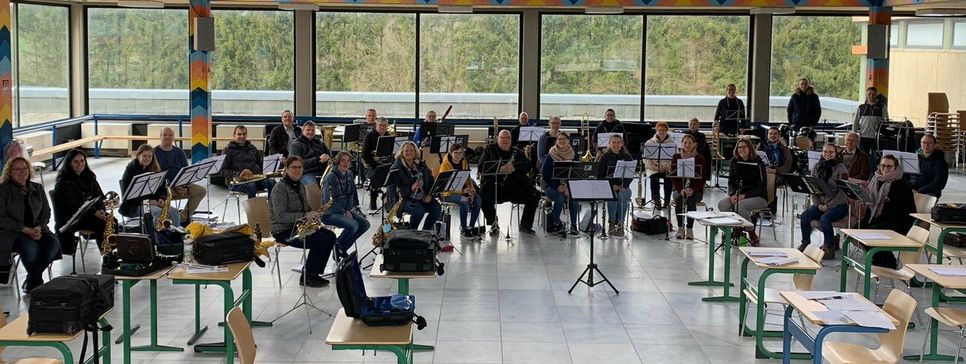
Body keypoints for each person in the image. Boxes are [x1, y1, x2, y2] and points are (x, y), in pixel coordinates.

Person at [270, 156, 337, 287]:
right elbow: (280, 217)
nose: (297, 170)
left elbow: (306, 208)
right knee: (321, 240)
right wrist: (305, 215)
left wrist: (313, 213)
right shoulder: (280, 188)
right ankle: (307, 276)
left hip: (299, 225)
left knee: (330, 236)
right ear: (286, 169)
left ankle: (314, 273)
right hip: (283, 230)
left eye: (300, 167)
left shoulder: (300, 185)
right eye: (294, 167)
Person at [0, 156, 61, 293]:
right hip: (12, 233)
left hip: (37, 229)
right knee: (31, 248)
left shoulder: (37, 188)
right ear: (10, 172)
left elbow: (46, 212)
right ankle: (36, 283)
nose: (22, 172)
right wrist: (25, 229)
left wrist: (39, 227)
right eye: (18, 169)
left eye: (25, 168)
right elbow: (2, 218)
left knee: (54, 244)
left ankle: (32, 279)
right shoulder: (3, 190)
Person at [52, 149, 115, 254]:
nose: (80, 164)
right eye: (75, 162)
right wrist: (94, 212)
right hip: (71, 219)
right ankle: (106, 255)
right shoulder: (63, 181)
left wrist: (101, 211)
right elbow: (71, 205)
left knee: (112, 221)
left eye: (82, 161)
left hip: (87, 215)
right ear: (69, 163)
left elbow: (99, 197)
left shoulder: (89, 176)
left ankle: (111, 254)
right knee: (103, 224)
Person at [478, 130, 540, 234]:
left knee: (535, 195)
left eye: (508, 138)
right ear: (498, 139)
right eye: (502, 138)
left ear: (511, 140)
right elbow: (481, 167)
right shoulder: (490, 149)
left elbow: (528, 166)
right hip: (494, 185)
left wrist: (515, 167)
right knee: (483, 196)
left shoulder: (517, 151)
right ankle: (493, 223)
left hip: (514, 187)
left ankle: (525, 225)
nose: (505, 140)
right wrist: (499, 169)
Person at [862, 155, 916, 269]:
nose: (885, 168)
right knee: (859, 228)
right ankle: (877, 259)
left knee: (871, 232)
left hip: (900, 222)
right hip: (881, 218)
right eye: (883, 165)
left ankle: (889, 262)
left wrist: (873, 221)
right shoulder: (876, 179)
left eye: (889, 166)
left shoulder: (900, 183)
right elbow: (871, 203)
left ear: (895, 168)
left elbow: (896, 211)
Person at [797, 144, 849, 260]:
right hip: (821, 203)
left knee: (825, 218)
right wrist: (818, 204)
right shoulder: (816, 167)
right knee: (805, 215)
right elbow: (813, 188)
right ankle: (805, 243)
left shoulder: (841, 169)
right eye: (825, 152)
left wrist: (829, 206)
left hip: (839, 205)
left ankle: (829, 247)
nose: (827, 154)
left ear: (836, 154)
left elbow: (842, 193)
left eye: (831, 152)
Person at [717, 138, 767, 245]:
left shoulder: (758, 162)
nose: (741, 149)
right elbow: (731, 182)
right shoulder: (734, 161)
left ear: (750, 148)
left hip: (758, 196)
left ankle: (751, 232)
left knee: (740, 206)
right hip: (738, 195)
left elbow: (762, 187)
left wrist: (745, 196)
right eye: (739, 147)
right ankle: (733, 230)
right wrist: (731, 195)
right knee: (722, 205)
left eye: (744, 147)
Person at [120, 144, 182, 227]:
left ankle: (175, 237)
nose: (148, 159)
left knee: (174, 212)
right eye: (144, 156)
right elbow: (128, 195)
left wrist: (161, 199)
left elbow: (162, 188)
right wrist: (148, 202)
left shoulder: (154, 167)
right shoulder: (131, 170)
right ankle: (154, 237)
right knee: (158, 212)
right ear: (138, 156)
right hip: (133, 205)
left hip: (153, 202)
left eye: (150, 156)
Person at [154, 127, 206, 224]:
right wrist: (174, 185)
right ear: (160, 136)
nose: (168, 137)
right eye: (165, 135)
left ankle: (183, 217)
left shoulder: (179, 152)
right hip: (163, 188)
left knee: (200, 191)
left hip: (180, 186)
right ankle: (165, 220)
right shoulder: (154, 152)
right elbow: (156, 176)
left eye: (170, 135)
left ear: (173, 136)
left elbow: (186, 172)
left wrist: (184, 185)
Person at [321, 151, 370, 254]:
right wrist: (344, 212)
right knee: (353, 225)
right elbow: (328, 201)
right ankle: (337, 247)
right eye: (343, 161)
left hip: (344, 211)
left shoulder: (349, 174)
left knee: (365, 224)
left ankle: (341, 248)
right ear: (338, 162)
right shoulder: (330, 177)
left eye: (348, 161)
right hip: (330, 213)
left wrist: (348, 210)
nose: (346, 163)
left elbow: (351, 194)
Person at [388, 142, 441, 231]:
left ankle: (425, 231)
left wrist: (430, 195)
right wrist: (411, 188)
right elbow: (393, 189)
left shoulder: (420, 164)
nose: (409, 153)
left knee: (437, 208)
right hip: (406, 199)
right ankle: (412, 232)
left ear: (415, 152)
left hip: (422, 196)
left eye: (412, 150)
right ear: (402, 153)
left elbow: (431, 180)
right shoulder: (396, 167)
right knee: (418, 211)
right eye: (406, 151)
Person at [435, 143, 482, 239]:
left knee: (478, 200)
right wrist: (462, 192)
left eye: (461, 153)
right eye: (456, 153)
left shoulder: (464, 161)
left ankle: (471, 227)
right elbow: (446, 187)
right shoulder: (445, 165)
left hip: (463, 190)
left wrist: (471, 191)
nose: (458, 155)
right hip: (447, 193)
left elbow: (468, 178)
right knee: (464, 201)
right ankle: (464, 229)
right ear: (451, 153)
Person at [596, 135, 636, 236]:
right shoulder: (604, 157)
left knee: (622, 196)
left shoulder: (627, 156)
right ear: (609, 144)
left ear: (622, 144)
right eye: (613, 142)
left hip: (624, 186)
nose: (616, 145)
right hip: (608, 186)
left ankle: (621, 224)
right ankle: (612, 223)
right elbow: (600, 176)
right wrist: (611, 185)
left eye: (618, 142)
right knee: (613, 196)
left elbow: (630, 176)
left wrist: (624, 185)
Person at [221, 125, 274, 198]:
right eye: (239, 134)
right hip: (237, 182)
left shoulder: (252, 148)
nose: (242, 136)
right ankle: (252, 208)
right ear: (234, 135)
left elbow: (260, 164)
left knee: (272, 182)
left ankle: (271, 207)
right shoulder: (228, 150)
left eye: (244, 134)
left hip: (255, 179)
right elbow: (223, 171)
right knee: (251, 186)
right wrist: (239, 174)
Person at [542, 132, 579, 234]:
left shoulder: (573, 155)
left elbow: (577, 174)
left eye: (564, 139)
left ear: (568, 141)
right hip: (551, 186)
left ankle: (573, 225)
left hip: (568, 186)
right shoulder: (551, 154)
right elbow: (545, 174)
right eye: (559, 139)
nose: (561, 141)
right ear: (556, 141)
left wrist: (569, 188)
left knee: (574, 198)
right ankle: (556, 224)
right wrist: (557, 186)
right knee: (560, 197)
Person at [671, 134, 706, 240]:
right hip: (679, 189)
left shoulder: (700, 158)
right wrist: (681, 189)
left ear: (694, 144)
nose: (687, 145)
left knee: (691, 200)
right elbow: (673, 177)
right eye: (685, 143)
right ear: (681, 144)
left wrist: (693, 189)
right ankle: (680, 228)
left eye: (690, 143)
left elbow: (703, 178)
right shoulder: (676, 157)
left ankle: (689, 229)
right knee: (679, 199)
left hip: (695, 190)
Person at [288, 121, 332, 185]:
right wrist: (318, 160)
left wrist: (328, 158)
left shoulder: (321, 144)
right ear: (302, 131)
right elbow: (296, 164)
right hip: (306, 173)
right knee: (314, 185)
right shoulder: (295, 145)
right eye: (308, 130)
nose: (310, 132)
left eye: (312, 130)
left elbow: (331, 157)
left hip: (324, 172)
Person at [362, 118, 391, 210]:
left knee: (395, 175)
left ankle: (389, 199)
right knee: (376, 176)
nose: (382, 127)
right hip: (372, 165)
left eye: (384, 125)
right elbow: (365, 154)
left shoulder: (389, 136)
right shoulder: (369, 137)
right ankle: (373, 200)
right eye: (380, 125)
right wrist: (375, 164)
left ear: (387, 126)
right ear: (376, 126)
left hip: (386, 164)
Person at [907, 134, 948, 199]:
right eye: (924, 142)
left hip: (930, 191)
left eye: (929, 143)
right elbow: (909, 176)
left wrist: (919, 191)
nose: (926, 145)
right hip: (913, 189)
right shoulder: (915, 158)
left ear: (934, 145)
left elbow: (939, 183)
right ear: (920, 143)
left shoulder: (941, 162)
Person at [853, 87, 888, 157]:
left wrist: (883, 135)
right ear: (866, 94)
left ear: (876, 95)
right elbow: (856, 121)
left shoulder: (882, 107)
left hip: (876, 137)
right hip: (863, 136)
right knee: (862, 156)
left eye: (873, 94)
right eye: (869, 94)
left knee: (875, 157)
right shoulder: (861, 107)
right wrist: (853, 134)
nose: (871, 96)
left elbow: (886, 122)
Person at [645, 122, 674, 209]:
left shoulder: (672, 143)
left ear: (667, 131)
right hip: (653, 168)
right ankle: (656, 199)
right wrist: (655, 167)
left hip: (666, 168)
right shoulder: (650, 142)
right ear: (656, 131)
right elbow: (646, 159)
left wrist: (665, 167)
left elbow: (674, 159)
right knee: (654, 178)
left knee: (669, 178)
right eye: (660, 130)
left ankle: (667, 200)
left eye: (664, 130)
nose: (662, 132)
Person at [686, 118, 712, 183]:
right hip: (686, 155)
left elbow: (700, 148)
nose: (692, 126)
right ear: (688, 125)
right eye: (691, 124)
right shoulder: (685, 134)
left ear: (698, 125)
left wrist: (689, 146)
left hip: (698, 156)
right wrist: (694, 145)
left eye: (695, 124)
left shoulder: (701, 135)